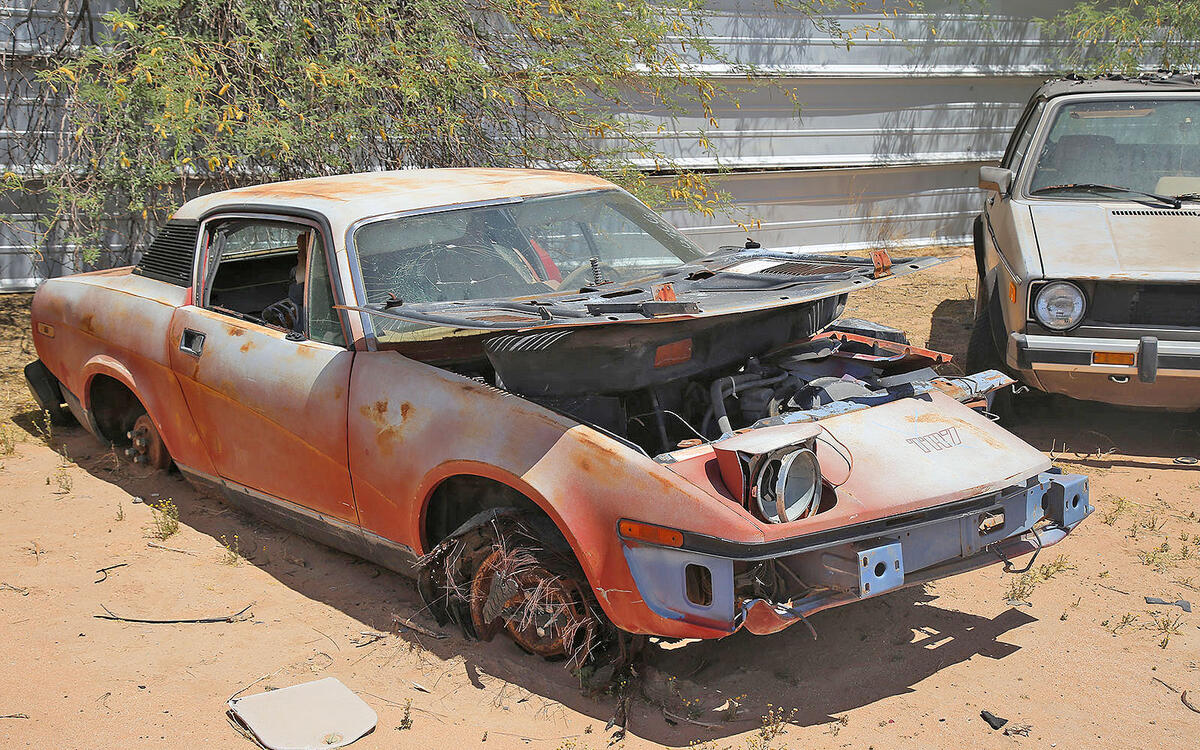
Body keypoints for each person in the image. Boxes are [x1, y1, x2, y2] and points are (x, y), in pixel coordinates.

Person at [262, 232, 310, 332]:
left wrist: (303, 257)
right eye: (298, 250)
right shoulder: (296, 271)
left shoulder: (314, 273)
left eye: (300, 250)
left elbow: (296, 297)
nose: (298, 255)